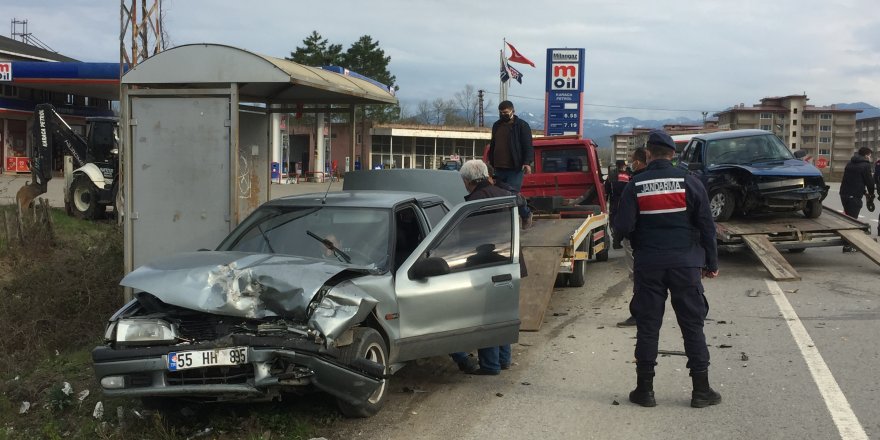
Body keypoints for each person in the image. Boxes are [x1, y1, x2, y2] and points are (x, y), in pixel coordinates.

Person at [613, 130, 721, 409]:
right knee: (692, 326)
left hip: (649, 264)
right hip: (686, 265)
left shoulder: (635, 184)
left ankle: (644, 391)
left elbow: (622, 227)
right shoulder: (691, 182)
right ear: (673, 154)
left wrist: (631, 237)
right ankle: (701, 391)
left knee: (648, 326)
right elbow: (708, 226)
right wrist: (711, 263)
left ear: (648, 153)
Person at [455, 159, 517, 375]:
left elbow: (468, 239)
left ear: (467, 181)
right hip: (509, 261)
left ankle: (490, 365)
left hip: (485, 264)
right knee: (502, 313)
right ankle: (504, 359)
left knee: (485, 315)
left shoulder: (474, 202)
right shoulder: (504, 193)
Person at [616, 147, 647, 328]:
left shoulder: (635, 182)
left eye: (632, 160)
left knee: (637, 276)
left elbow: (625, 219)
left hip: (637, 239)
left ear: (638, 161)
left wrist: (621, 235)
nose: (630, 163)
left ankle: (638, 314)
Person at [487, 100, 533, 192]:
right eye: (501, 112)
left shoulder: (522, 126)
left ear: (513, 111)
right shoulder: (496, 125)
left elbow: (527, 145)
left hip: (514, 169)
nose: (503, 114)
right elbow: (493, 144)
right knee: (498, 195)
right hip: (498, 169)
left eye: (505, 112)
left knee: (512, 195)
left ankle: (520, 207)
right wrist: (490, 160)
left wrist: (527, 162)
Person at [839, 147, 875, 252]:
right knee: (852, 221)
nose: (870, 158)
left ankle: (847, 243)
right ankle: (848, 245)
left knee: (848, 219)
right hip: (853, 197)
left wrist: (864, 192)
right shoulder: (865, 165)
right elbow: (869, 182)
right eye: (870, 155)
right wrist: (871, 194)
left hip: (844, 194)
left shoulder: (850, 163)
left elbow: (852, 180)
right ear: (866, 155)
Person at [486, 163, 533, 229]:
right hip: (498, 167)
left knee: (512, 196)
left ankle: (525, 214)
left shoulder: (498, 185)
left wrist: (526, 163)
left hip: (514, 168)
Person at [606, 159, 631, 249]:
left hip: (614, 202)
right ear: (623, 166)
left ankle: (616, 239)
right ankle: (618, 240)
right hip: (626, 201)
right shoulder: (628, 176)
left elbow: (606, 191)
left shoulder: (610, 177)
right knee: (624, 220)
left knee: (614, 220)